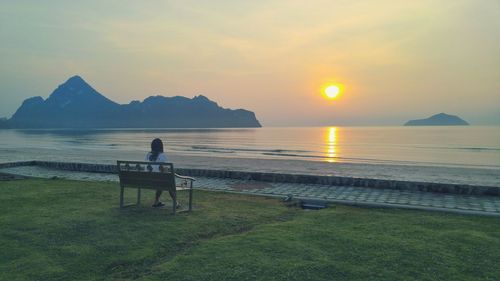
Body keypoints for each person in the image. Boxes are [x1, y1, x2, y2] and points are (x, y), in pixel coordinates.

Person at [145, 138, 180, 208]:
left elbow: (146, 168)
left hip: (149, 181)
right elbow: (164, 169)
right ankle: (175, 202)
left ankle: (156, 201)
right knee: (169, 182)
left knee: (161, 181)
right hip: (160, 180)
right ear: (161, 146)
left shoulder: (148, 155)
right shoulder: (162, 155)